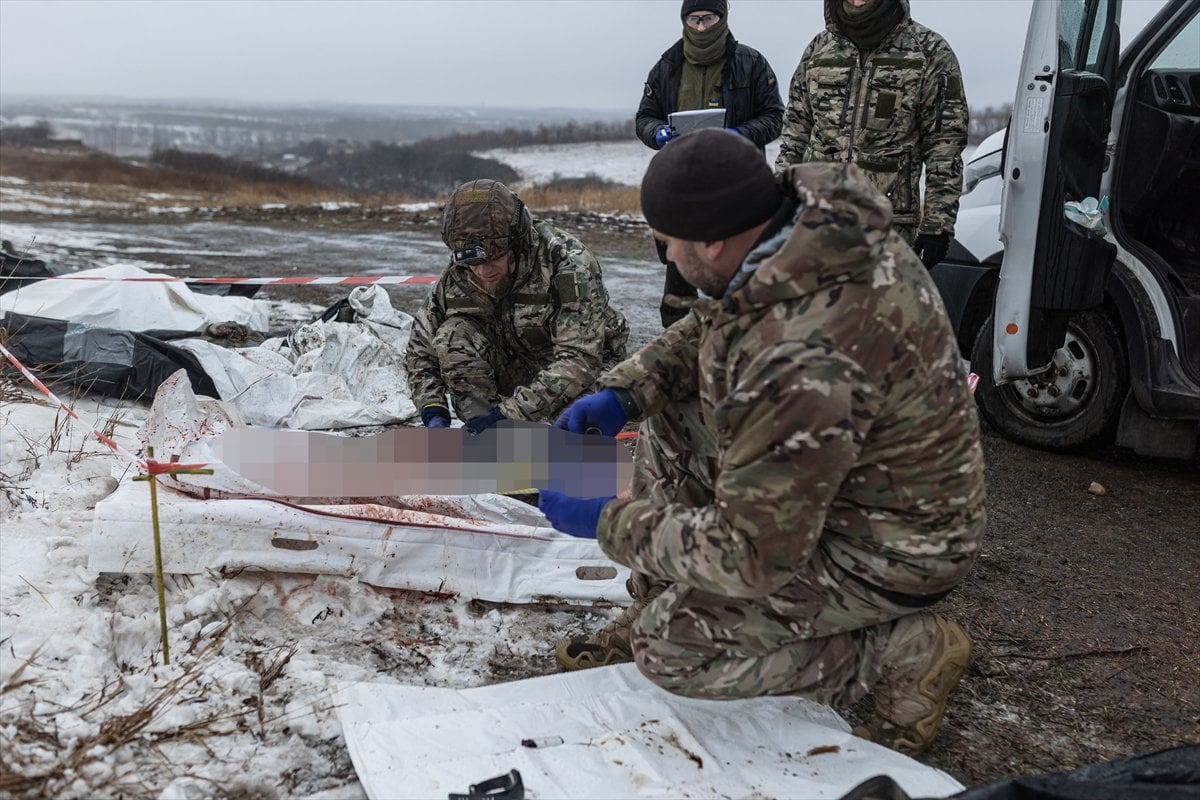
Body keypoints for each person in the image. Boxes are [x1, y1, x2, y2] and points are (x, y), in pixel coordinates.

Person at [538, 130, 986, 756]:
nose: (665, 256)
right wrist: (627, 391)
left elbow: (751, 554)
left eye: (667, 242)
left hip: (895, 546)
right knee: (670, 411)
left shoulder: (801, 355)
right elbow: (717, 322)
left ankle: (898, 653)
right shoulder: (804, 236)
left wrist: (607, 520)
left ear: (712, 241)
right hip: (855, 480)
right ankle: (664, 596)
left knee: (671, 650)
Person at [405, 179, 629, 432]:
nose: (483, 271)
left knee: (578, 425)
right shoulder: (459, 275)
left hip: (583, 370)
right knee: (452, 335)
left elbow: (580, 360)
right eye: (474, 262)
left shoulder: (566, 264)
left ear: (516, 242)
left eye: (494, 258)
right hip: (515, 366)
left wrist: (507, 415)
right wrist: (433, 410)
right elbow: (420, 351)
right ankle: (486, 436)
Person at [774, 0, 969, 270]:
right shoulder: (818, 50)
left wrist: (937, 225)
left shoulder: (928, 50)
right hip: (814, 221)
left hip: (888, 228)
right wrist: (777, 206)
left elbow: (944, 145)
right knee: (816, 311)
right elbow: (794, 136)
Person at [636, 0, 784, 328]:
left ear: (723, 18)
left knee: (740, 271)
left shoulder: (751, 62)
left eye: (708, 18)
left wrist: (739, 134)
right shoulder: (667, 65)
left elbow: (775, 117)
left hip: (736, 186)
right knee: (679, 282)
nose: (701, 26)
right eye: (694, 19)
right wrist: (657, 133)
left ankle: (742, 341)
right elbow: (643, 117)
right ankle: (677, 350)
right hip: (681, 187)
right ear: (684, 21)